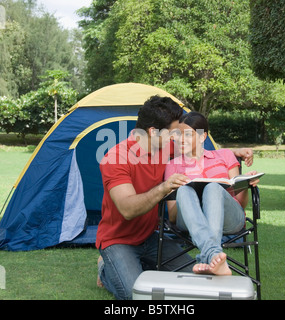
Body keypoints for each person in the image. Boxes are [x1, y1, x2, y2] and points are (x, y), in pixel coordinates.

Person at [96, 96, 255, 299]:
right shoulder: (115, 158)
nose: (176, 138)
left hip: (150, 237)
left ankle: (144, 264)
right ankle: (105, 268)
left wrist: (234, 152)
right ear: (154, 132)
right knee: (134, 294)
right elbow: (127, 209)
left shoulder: (162, 147)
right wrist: (164, 188)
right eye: (173, 133)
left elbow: (197, 147)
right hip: (118, 240)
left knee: (196, 280)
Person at [164, 111, 260, 276]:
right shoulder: (173, 165)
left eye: (187, 134)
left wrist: (245, 184)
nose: (180, 139)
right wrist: (182, 192)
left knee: (213, 187)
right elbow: (173, 216)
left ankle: (209, 256)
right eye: (178, 134)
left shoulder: (224, 156)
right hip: (190, 220)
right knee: (185, 189)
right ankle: (213, 256)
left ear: (203, 137)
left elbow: (240, 203)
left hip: (230, 219)